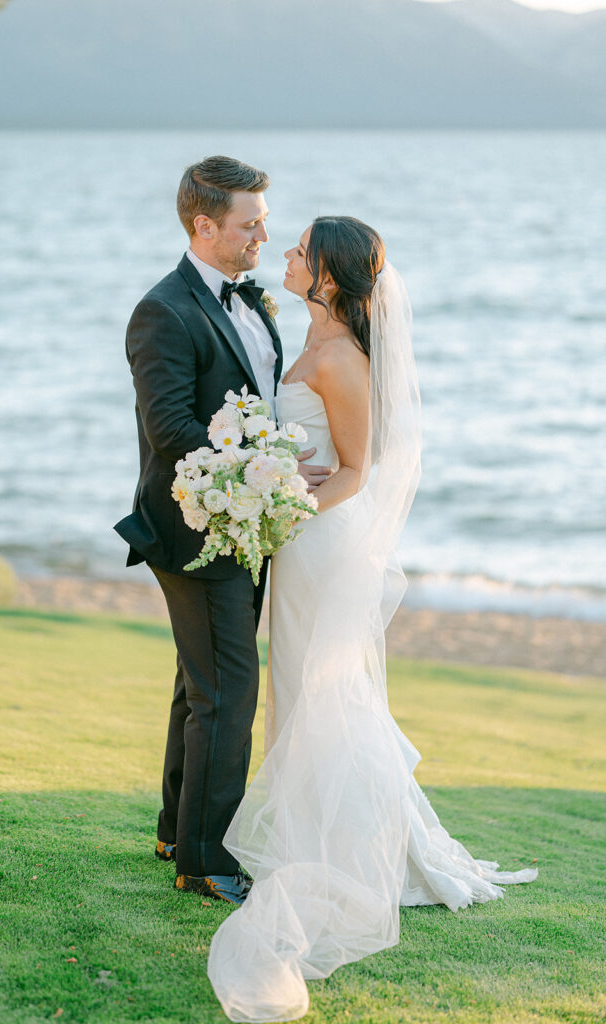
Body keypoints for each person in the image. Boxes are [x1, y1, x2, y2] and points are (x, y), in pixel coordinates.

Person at [207, 216, 538, 1022]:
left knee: (327, 696)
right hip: (302, 542)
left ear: (326, 277)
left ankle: (360, 855)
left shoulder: (342, 358)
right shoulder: (314, 341)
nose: (283, 254)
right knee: (307, 692)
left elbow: (356, 470)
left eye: (298, 251)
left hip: (322, 547)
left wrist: (280, 503)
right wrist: (271, 482)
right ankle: (333, 836)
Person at [114, 156, 331, 906]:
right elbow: (170, 427)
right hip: (194, 525)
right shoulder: (163, 311)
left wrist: (274, 480)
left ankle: (178, 830)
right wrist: (271, 469)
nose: (263, 237)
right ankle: (206, 861)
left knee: (198, 686)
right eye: (250, 224)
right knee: (227, 692)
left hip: (249, 521)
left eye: (264, 222)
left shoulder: (254, 302)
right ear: (203, 226)